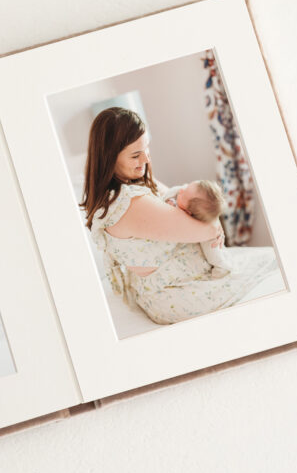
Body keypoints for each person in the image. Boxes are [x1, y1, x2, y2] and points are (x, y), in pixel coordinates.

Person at [81, 107, 275, 325]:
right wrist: (211, 222)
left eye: (146, 148)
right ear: (109, 159)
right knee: (273, 264)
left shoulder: (135, 186)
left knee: (272, 260)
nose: (145, 159)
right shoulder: (129, 203)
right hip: (179, 292)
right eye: (135, 155)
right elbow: (208, 229)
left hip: (195, 276)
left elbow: (179, 195)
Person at [163, 179, 231, 279]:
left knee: (213, 249)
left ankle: (222, 266)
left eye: (183, 194)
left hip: (206, 234)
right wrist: (166, 200)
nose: (181, 190)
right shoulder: (184, 196)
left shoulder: (189, 214)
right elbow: (175, 192)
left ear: (189, 213)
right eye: (186, 187)